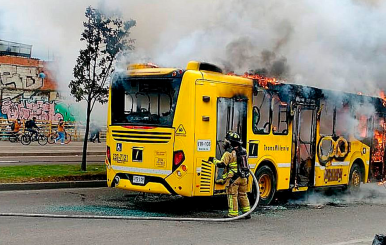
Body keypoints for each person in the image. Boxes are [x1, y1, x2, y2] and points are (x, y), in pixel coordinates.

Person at [209, 131, 251, 219]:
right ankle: (247, 212)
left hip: (233, 179)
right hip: (244, 177)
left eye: (227, 141)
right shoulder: (244, 151)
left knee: (232, 196)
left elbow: (221, 164)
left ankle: (233, 214)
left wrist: (212, 160)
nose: (225, 143)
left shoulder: (228, 153)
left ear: (230, 143)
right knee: (243, 194)